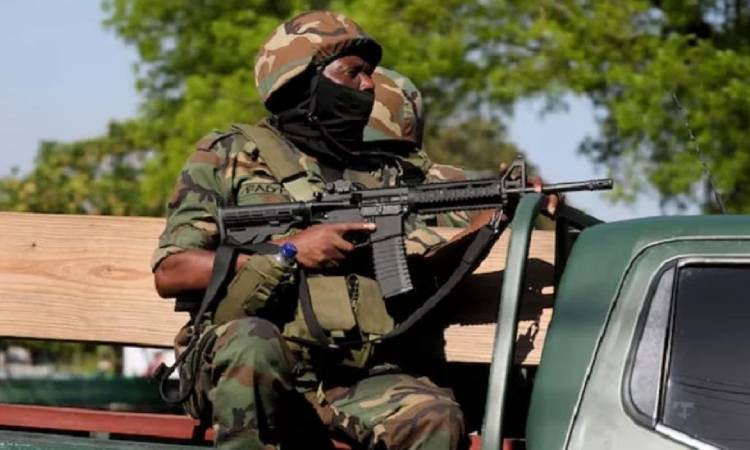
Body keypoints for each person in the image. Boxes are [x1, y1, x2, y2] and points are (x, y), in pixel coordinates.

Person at [152, 11, 470, 450]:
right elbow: (171, 271)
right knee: (254, 343)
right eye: (353, 73)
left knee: (435, 418)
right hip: (248, 363)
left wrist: (524, 197)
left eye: (370, 74)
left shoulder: (382, 171)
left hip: (351, 375)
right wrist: (287, 252)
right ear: (303, 80)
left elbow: (459, 206)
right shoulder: (229, 154)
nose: (369, 86)